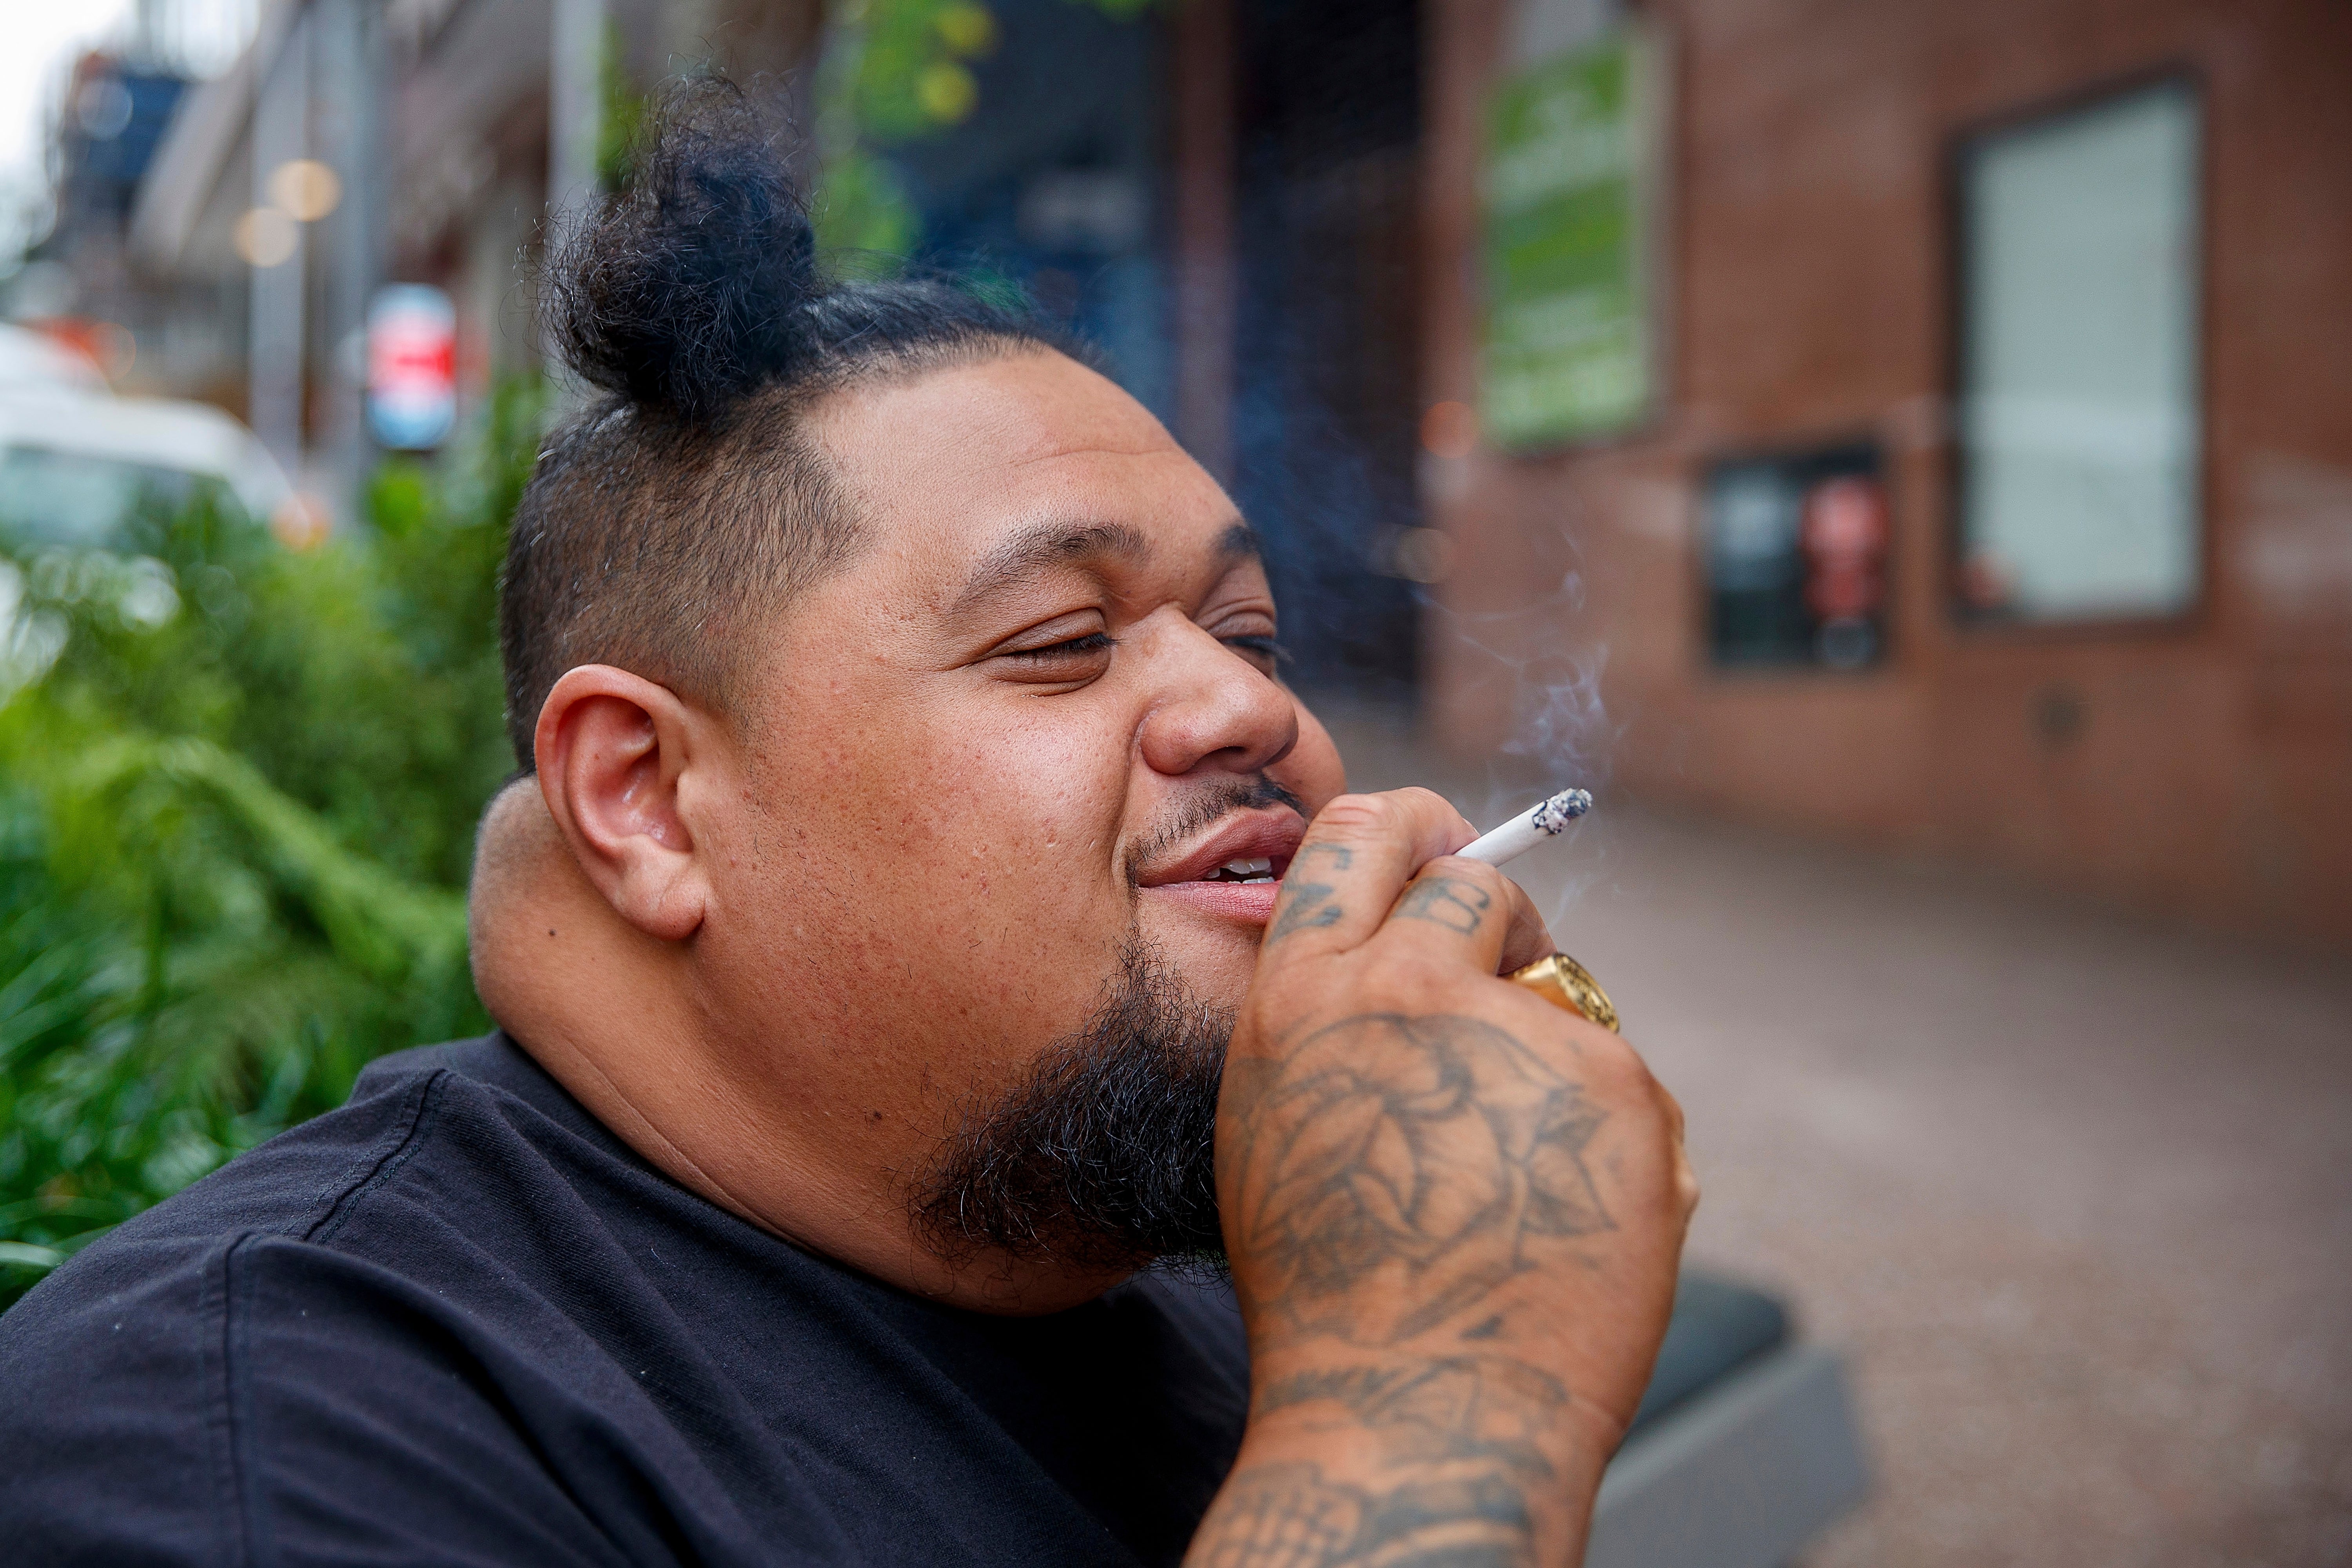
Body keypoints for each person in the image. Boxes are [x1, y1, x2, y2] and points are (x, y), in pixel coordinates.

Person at [0, 86, 1695, 1566]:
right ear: (648, 800)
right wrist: (1425, 1401)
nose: (1257, 714)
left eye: (1251, 634)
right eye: (1061, 641)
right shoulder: (258, 1436)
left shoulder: (1211, 1268)